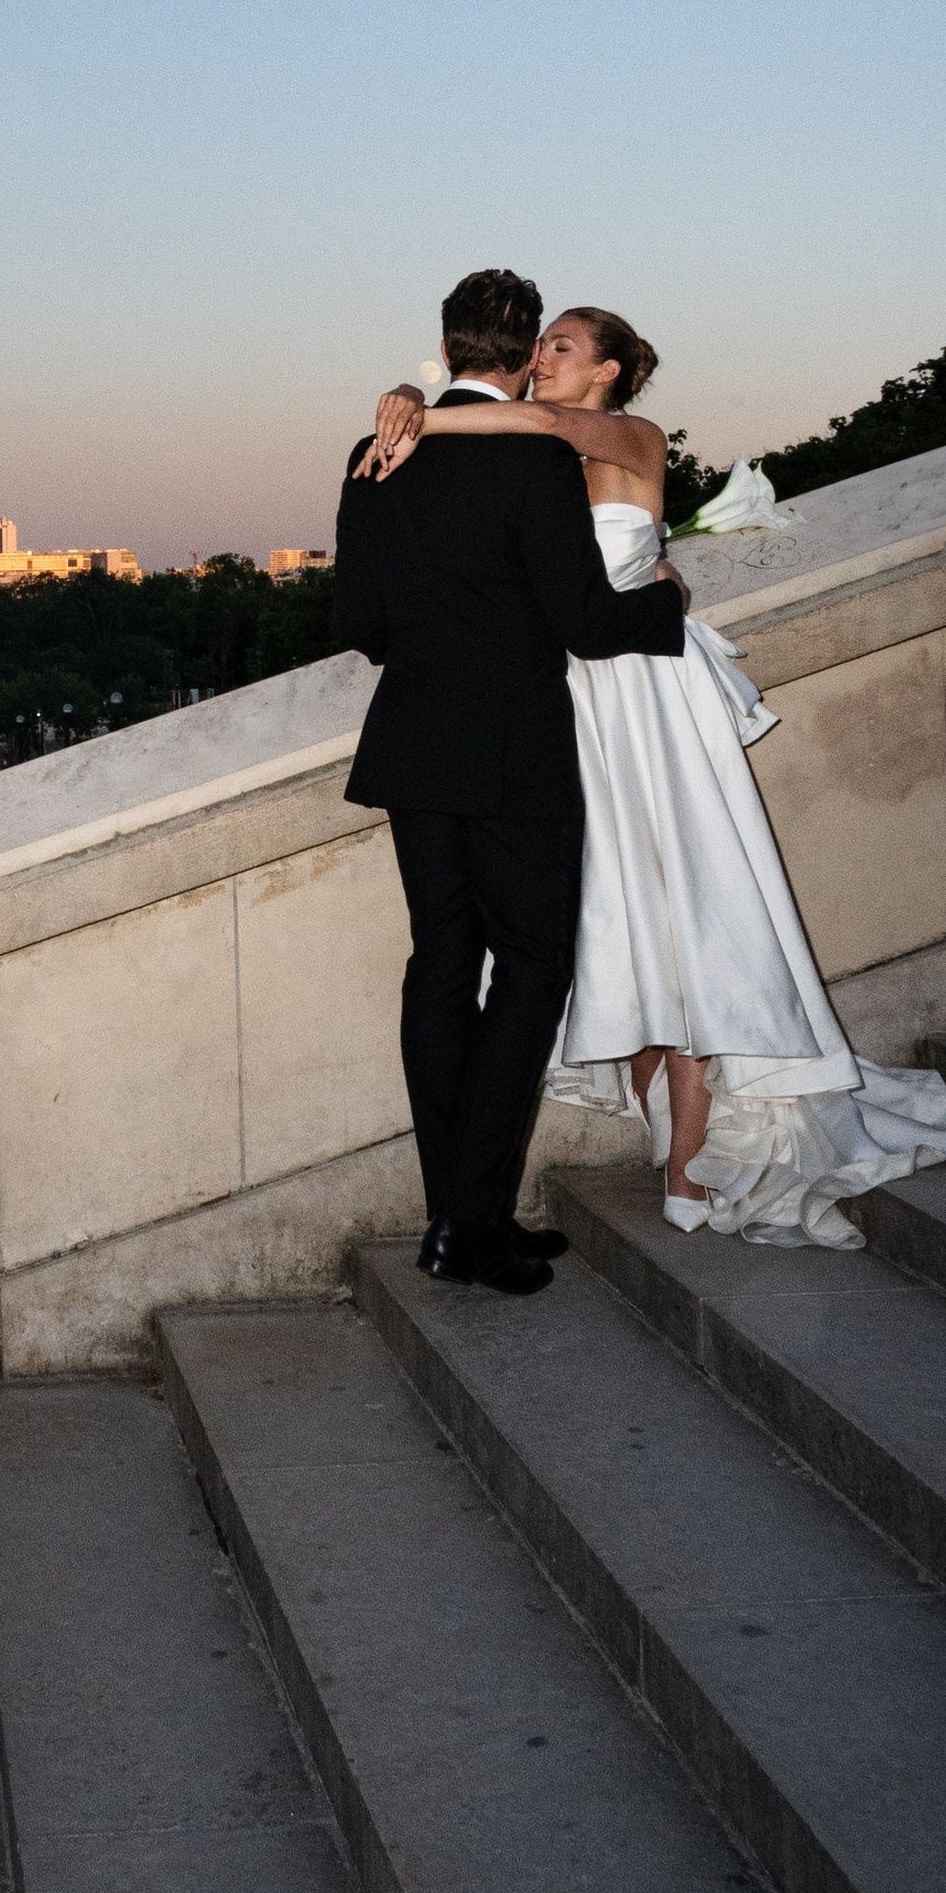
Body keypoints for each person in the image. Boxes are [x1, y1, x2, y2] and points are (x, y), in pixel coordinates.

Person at [367, 304, 946, 1246]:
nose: (541, 359)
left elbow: (531, 421)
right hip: (572, 706)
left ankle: (691, 1165)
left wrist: (419, 407)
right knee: (616, 912)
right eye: (539, 346)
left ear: (609, 371)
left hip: (646, 701)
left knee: (688, 905)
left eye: (562, 346)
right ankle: (666, 1136)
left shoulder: (622, 434)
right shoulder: (541, 463)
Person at [335, 266, 689, 1295]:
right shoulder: (533, 458)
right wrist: (665, 607)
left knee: (440, 963)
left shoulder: (375, 452)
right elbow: (584, 620)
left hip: (409, 740)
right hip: (513, 748)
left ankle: (456, 1210)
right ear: (529, 351)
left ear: (443, 346)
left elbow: (356, 623)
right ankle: (470, 1224)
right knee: (532, 967)